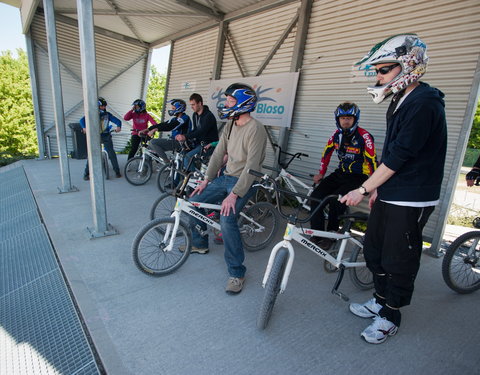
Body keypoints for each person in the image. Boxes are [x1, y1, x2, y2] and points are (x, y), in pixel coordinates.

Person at [340, 34, 447, 344]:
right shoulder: (401, 101)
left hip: (412, 196)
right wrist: (377, 188)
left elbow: (400, 156)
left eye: (383, 70)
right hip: (391, 191)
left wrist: (362, 188)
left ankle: (391, 314)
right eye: (377, 71)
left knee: (399, 258)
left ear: (408, 66)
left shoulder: (424, 104)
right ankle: (380, 300)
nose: (379, 77)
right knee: (375, 250)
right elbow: (390, 153)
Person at [189, 83, 267, 295]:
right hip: (226, 177)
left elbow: (252, 168)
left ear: (244, 103)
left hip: (245, 181)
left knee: (226, 218)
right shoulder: (231, 125)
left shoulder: (256, 129)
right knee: (192, 201)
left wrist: (233, 195)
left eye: (231, 101)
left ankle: (237, 272)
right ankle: (199, 243)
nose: (226, 104)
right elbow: (218, 154)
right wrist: (207, 179)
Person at [309, 102, 377, 249]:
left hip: (359, 176)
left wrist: (374, 186)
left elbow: (372, 162)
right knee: (315, 197)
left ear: (355, 119)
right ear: (338, 119)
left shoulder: (364, 136)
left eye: (349, 118)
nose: (346, 121)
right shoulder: (336, 135)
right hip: (340, 173)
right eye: (343, 118)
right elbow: (326, 154)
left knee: (336, 201)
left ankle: (332, 234)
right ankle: (317, 233)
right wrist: (321, 173)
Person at [81, 97, 122, 180]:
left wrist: (118, 126)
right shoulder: (91, 114)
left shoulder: (107, 115)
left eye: (104, 106)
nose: (104, 108)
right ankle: (86, 173)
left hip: (106, 135)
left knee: (111, 153)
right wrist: (84, 127)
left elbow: (118, 121)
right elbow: (82, 120)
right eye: (102, 106)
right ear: (97, 106)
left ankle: (117, 171)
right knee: (92, 155)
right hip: (95, 136)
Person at [176, 93, 219, 171]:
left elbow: (201, 131)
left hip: (208, 145)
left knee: (187, 157)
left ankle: (193, 179)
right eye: (191, 105)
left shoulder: (208, 116)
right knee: (181, 155)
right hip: (199, 143)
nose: (192, 107)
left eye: (193, 104)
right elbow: (195, 130)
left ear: (200, 103)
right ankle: (177, 182)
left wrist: (185, 136)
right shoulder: (195, 115)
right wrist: (184, 136)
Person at [147, 99, 192, 163]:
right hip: (173, 141)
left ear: (179, 109)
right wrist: (148, 129)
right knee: (149, 148)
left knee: (153, 142)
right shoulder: (175, 118)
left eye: (173, 108)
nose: (171, 110)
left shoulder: (184, 118)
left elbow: (171, 126)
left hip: (180, 143)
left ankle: (167, 162)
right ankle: (146, 171)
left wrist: (155, 129)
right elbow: (164, 124)